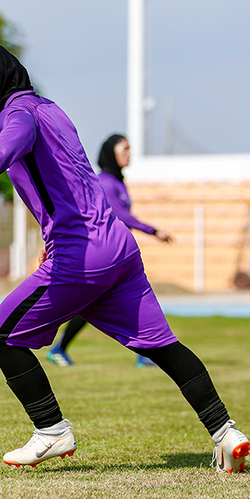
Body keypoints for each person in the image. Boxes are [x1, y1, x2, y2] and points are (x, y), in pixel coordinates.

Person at [0, 43, 250, 473]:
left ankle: (51, 429)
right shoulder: (51, 109)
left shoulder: (17, 114)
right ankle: (225, 432)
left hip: (81, 258)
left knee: (1, 334)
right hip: (119, 250)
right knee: (164, 346)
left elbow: (14, 139)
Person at [47, 133, 173, 368]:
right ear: (110, 152)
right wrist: (153, 231)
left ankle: (144, 353)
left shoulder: (117, 181)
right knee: (91, 303)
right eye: (124, 148)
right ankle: (56, 347)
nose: (129, 153)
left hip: (119, 255)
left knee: (122, 301)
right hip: (105, 254)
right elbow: (120, 214)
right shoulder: (104, 181)